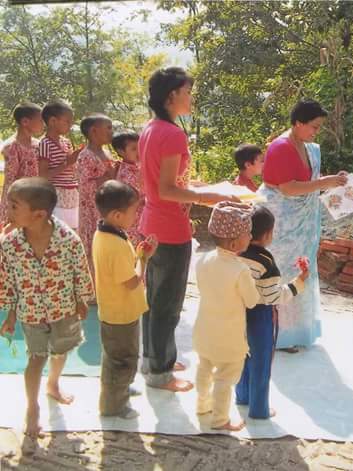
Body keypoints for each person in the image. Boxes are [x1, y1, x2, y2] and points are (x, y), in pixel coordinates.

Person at [139, 67, 228, 392]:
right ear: (171, 96)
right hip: (169, 228)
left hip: (152, 224)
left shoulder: (151, 128)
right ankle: (160, 372)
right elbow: (166, 189)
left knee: (153, 299)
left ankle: (154, 359)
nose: (191, 97)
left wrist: (202, 187)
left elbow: (165, 181)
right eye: (188, 92)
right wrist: (207, 197)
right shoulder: (173, 134)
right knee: (167, 303)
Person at [0, 178, 94, 438]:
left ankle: (53, 384)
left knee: (61, 350)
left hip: (64, 309)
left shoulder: (68, 240)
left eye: (14, 206)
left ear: (39, 214)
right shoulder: (9, 245)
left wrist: (82, 299)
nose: (8, 209)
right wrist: (10, 314)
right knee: (36, 357)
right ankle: (32, 408)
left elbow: (80, 270)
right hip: (30, 313)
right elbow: (7, 281)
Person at [258, 99, 347, 350]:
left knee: (300, 271)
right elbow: (287, 188)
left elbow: (308, 180)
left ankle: (296, 330)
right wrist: (325, 183)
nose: (316, 132)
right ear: (298, 123)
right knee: (282, 272)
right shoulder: (280, 147)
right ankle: (276, 332)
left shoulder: (307, 147)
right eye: (314, 127)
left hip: (301, 224)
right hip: (281, 223)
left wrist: (335, 181)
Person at [236, 205, 309, 419]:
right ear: (268, 234)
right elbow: (274, 296)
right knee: (261, 361)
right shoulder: (266, 262)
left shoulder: (236, 254)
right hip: (260, 315)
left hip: (238, 312)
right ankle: (259, 409)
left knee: (241, 355)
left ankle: (242, 396)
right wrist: (299, 282)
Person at [93, 180, 157, 418]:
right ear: (117, 215)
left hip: (117, 310)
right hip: (120, 315)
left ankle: (120, 389)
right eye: (133, 211)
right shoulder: (114, 245)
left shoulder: (106, 233)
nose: (136, 215)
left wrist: (138, 254)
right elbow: (131, 281)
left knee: (116, 357)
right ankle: (114, 405)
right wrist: (144, 260)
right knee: (122, 360)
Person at [193, 202, 257, 431]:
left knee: (204, 369)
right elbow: (252, 300)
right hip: (229, 337)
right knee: (225, 378)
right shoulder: (240, 270)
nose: (251, 237)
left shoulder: (202, 259)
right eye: (247, 233)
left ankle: (202, 406)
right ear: (233, 243)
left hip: (204, 330)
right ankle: (221, 419)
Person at [78, 114, 116, 279]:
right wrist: (107, 176)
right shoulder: (85, 156)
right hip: (91, 212)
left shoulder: (106, 153)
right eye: (108, 128)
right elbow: (85, 186)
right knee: (93, 249)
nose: (111, 132)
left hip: (106, 209)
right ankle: (93, 286)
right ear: (93, 131)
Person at [38, 100, 82, 230]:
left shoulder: (66, 142)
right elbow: (42, 176)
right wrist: (67, 163)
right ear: (52, 121)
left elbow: (71, 168)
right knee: (58, 231)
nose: (70, 125)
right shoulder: (45, 144)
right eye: (67, 121)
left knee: (73, 231)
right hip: (57, 195)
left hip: (71, 194)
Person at [0, 102, 44, 226]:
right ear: (25, 122)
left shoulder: (38, 145)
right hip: (17, 202)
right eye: (40, 120)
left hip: (34, 200)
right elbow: (11, 181)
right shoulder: (12, 147)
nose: (43, 124)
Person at [112, 131, 144, 245]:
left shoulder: (135, 167)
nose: (139, 151)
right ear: (121, 152)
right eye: (134, 149)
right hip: (132, 223)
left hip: (139, 220)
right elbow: (131, 201)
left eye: (140, 146)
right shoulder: (126, 175)